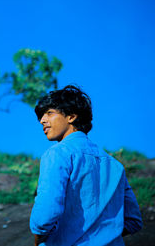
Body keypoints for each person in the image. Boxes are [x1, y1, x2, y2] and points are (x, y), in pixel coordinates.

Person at [29, 85, 142, 246]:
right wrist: (103, 234)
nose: (42, 120)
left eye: (49, 113)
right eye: (41, 115)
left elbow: (45, 216)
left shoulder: (57, 154)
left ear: (71, 116)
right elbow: (134, 221)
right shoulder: (115, 165)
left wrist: (39, 237)